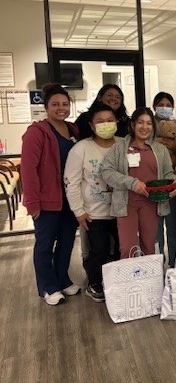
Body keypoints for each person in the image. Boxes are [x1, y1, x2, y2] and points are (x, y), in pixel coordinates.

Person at [22, 83, 81, 305]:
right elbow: (27, 170)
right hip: (47, 201)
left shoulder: (73, 130)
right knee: (45, 244)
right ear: (46, 107)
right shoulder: (36, 133)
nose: (61, 108)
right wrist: (32, 203)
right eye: (55, 104)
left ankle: (62, 279)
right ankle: (47, 286)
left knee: (67, 242)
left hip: (69, 199)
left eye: (65, 104)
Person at [102, 107, 176, 259]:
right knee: (128, 248)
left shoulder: (160, 150)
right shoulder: (120, 148)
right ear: (133, 125)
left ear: (153, 127)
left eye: (149, 123)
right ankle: (129, 282)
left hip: (151, 203)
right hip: (126, 204)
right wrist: (131, 182)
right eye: (140, 122)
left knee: (149, 246)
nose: (144, 127)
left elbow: (168, 174)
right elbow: (107, 172)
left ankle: (150, 282)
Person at [64, 102, 120, 302]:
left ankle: (117, 282)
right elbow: (71, 182)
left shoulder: (123, 145)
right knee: (99, 251)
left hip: (121, 211)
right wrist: (78, 211)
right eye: (100, 121)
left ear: (117, 122)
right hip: (94, 213)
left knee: (122, 248)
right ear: (91, 124)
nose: (106, 124)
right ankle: (94, 284)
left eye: (110, 120)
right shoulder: (81, 148)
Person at [152, 91, 176, 267]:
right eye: (161, 104)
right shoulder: (148, 127)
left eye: (168, 105)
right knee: (155, 227)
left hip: (172, 181)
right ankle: (157, 264)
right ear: (154, 107)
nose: (164, 108)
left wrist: (175, 145)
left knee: (172, 225)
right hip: (154, 183)